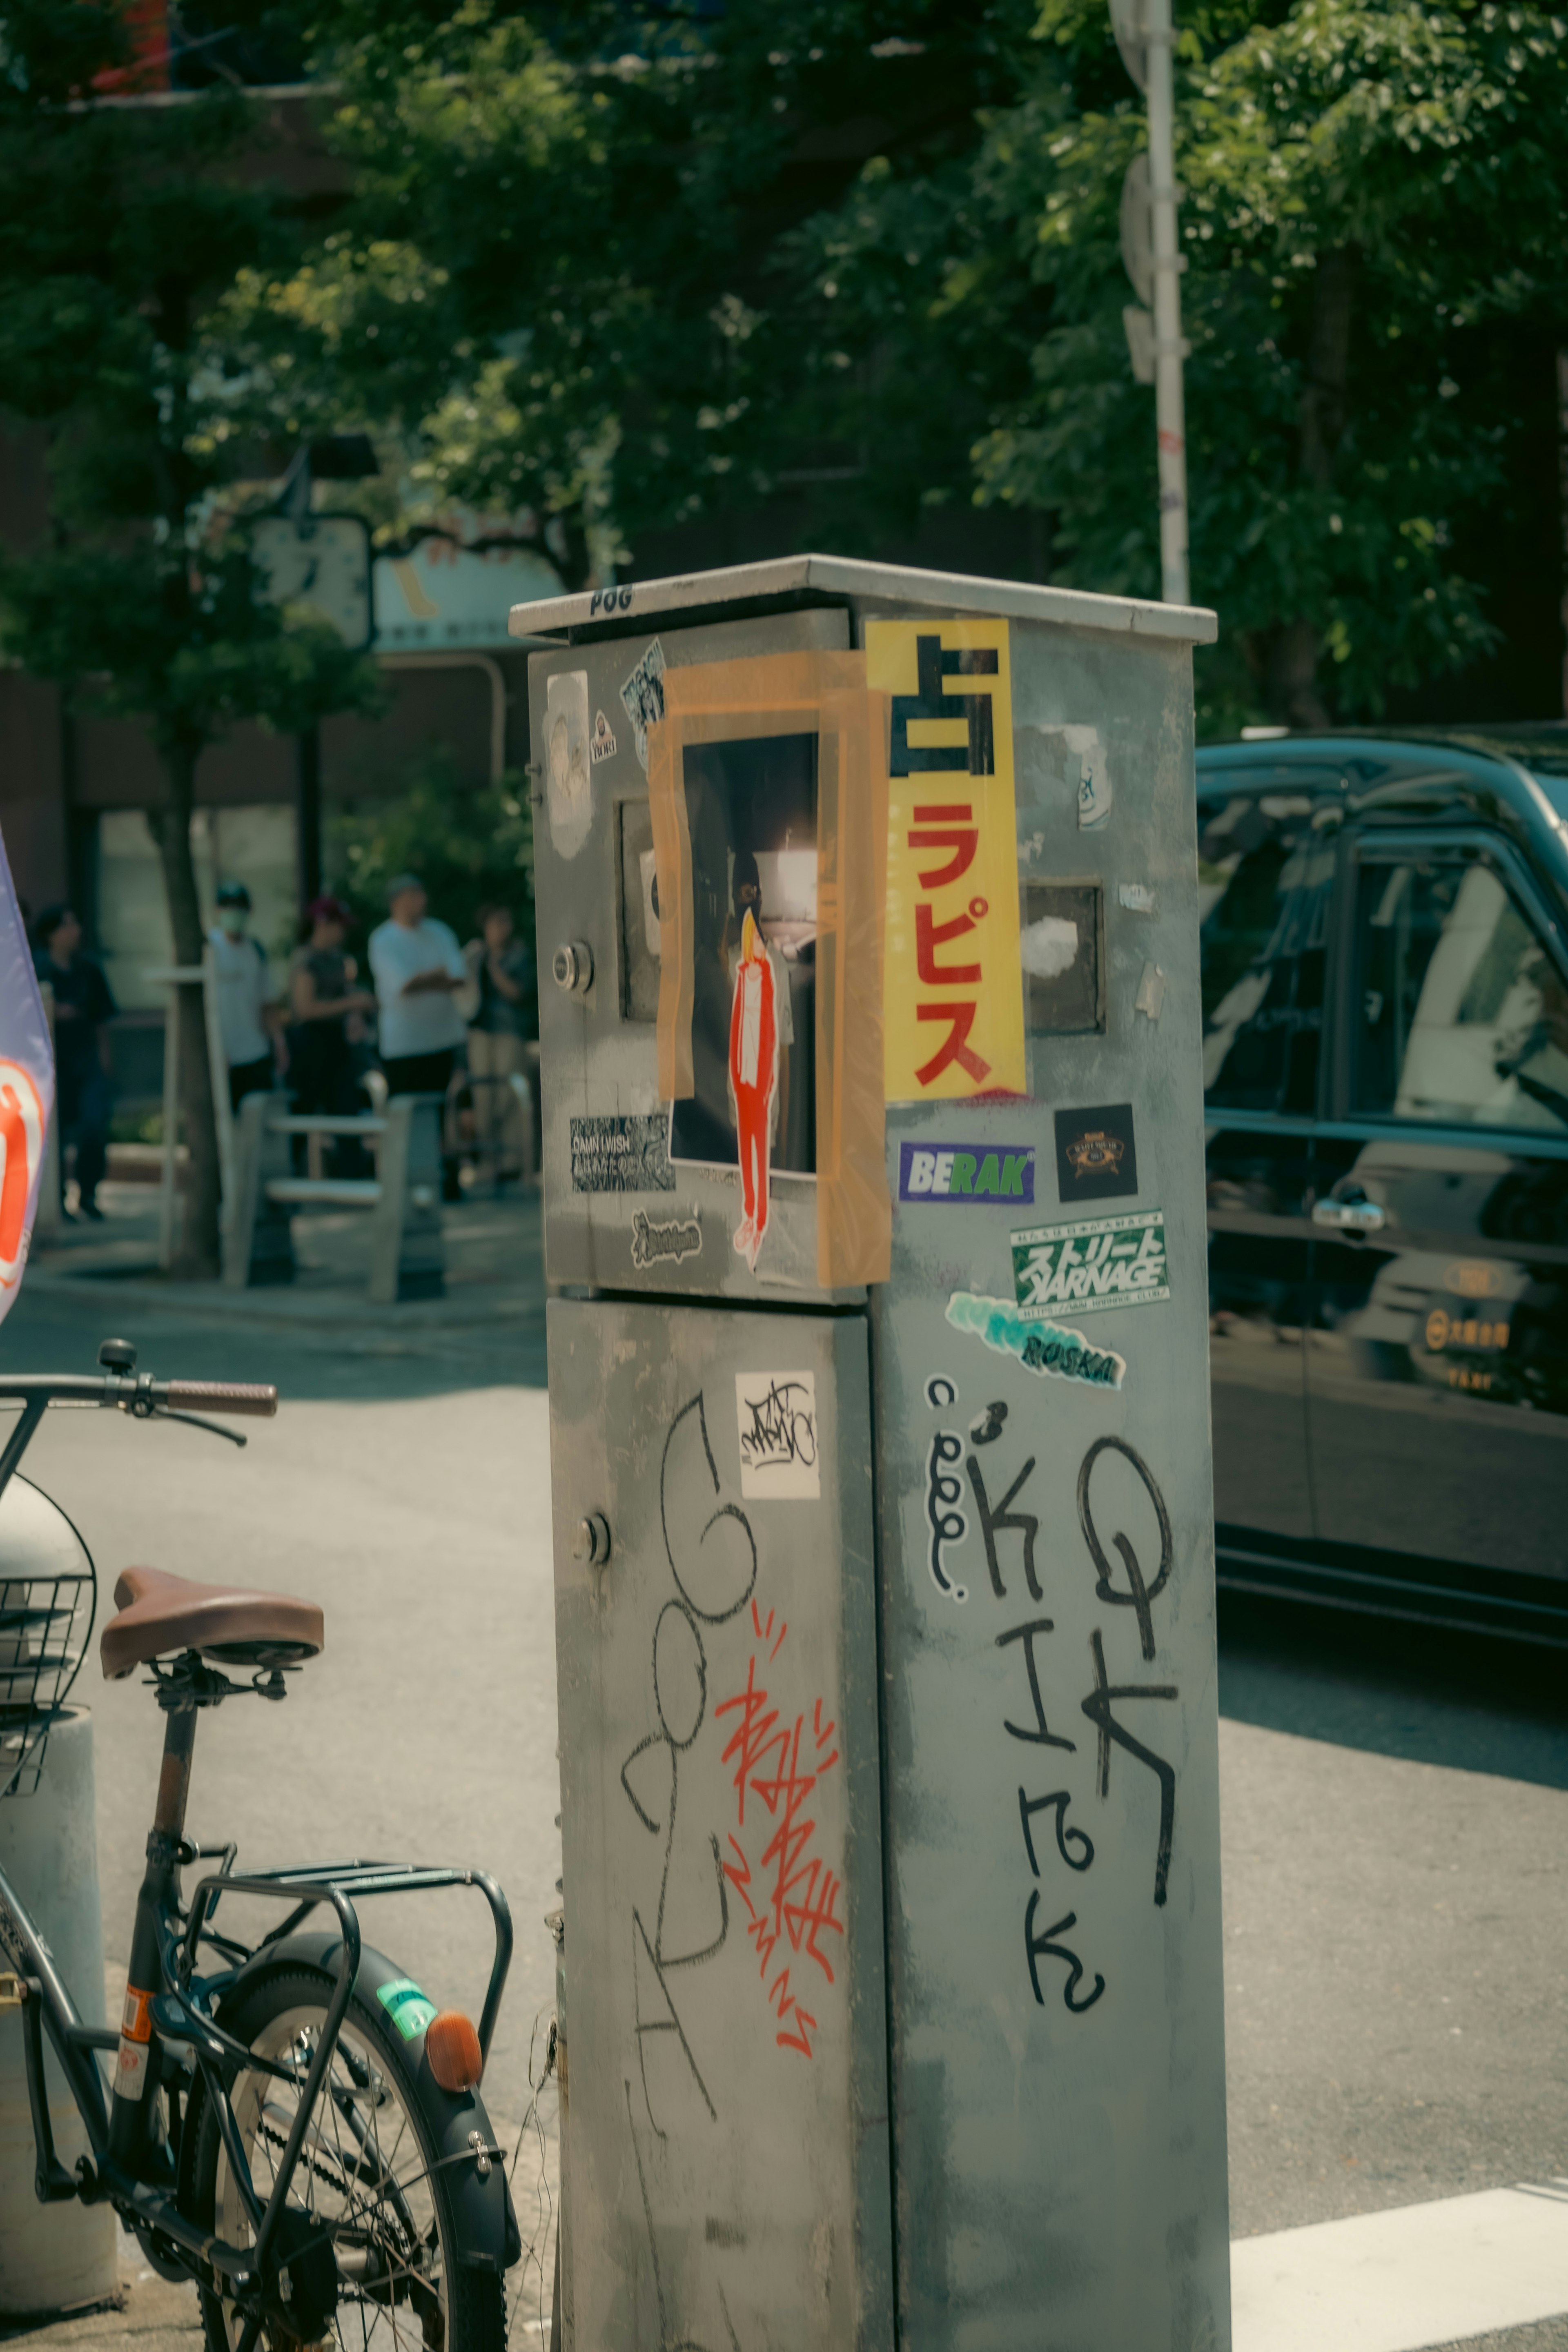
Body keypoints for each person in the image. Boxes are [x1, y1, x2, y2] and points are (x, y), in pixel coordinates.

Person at [368, 874, 468, 1202]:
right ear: (397, 901)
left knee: (440, 1114)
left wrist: (430, 980)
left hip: (441, 1039)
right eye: (414, 896)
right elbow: (403, 985)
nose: (421, 902)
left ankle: (441, 1179)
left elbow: (457, 976)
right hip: (404, 1047)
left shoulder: (439, 932)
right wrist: (435, 978)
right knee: (407, 1116)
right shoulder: (384, 940)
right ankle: (405, 1182)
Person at [32, 905, 114, 1221]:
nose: (75, 931)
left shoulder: (89, 969)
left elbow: (101, 1019)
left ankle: (89, 1193)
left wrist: (106, 1059)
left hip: (86, 1061)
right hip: (50, 1066)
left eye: (76, 924)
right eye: (67, 926)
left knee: (93, 1126)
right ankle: (57, 1199)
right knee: (55, 1134)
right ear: (51, 934)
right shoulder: (36, 969)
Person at [287, 896, 377, 1176]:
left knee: (346, 1109)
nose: (343, 933)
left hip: (338, 1045)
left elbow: (346, 996)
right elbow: (306, 1009)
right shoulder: (305, 960)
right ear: (322, 924)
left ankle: (354, 1177)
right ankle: (290, 1174)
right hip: (309, 1045)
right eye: (339, 925)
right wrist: (351, 1005)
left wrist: (356, 1014)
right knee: (302, 1112)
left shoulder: (339, 959)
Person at [463, 904, 537, 1181]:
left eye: (504, 923)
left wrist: (493, 966)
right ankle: (487, 1160)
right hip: (480, 1032)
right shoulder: (475, 956)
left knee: (509, 1094)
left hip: (509, 1031)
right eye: (495, 923)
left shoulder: (520, 956)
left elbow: (517, 993)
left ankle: (513, 1161)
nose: (500, 930)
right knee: (484, 1096)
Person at [209, 882, 287, 1112]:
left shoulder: (256, 950)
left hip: (256, 1052)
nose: (234, 914)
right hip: (223, 1056)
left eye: (239, 907)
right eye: (228, 907)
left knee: (260, 1120)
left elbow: (268, 1003)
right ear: (218, 910)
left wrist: (279, 1042)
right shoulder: (210, 948)